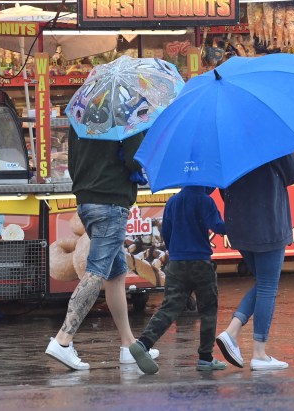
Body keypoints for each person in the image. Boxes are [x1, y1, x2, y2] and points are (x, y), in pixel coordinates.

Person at [45, 127, 156, 370]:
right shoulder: (126, 116)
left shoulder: (82, 115)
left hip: (86, 202)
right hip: (112, 202)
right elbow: (134, 159)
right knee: (97, 272)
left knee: (116, 274)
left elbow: (73, 164)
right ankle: (63, 340)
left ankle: (128, 345)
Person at [128, 186, 228, 374]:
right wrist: (230, 212)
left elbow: (166, 232)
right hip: (201, 263)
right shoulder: (205, 201)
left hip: (176, 263)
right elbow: (219, 227)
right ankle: (206, 358)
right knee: (208, 310)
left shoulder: (173, 201)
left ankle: (143, 343)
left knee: (169, 308)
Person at [215, 153, 294, 371]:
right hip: (268, 221)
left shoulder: (228, 139)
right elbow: (293, 174)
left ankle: (232, 333)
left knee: (263, 282)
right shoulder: (272, 136)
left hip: (239, 223)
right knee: (267, 286)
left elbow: (219, 184)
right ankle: (259, 353)